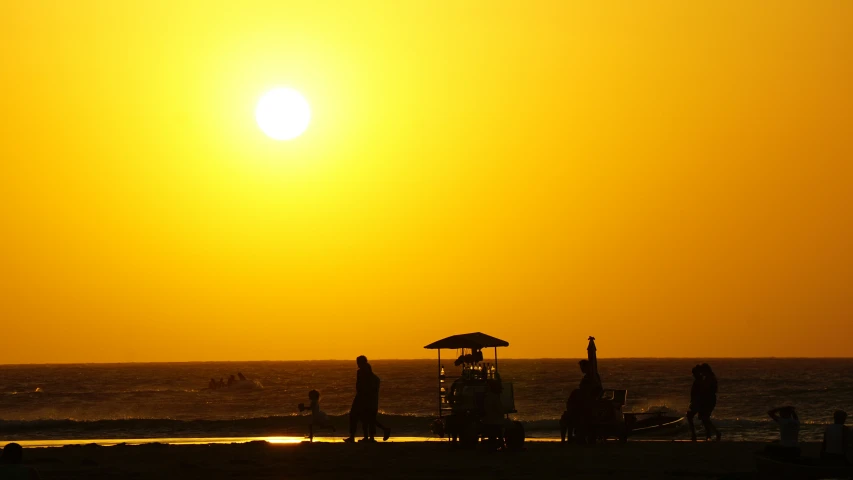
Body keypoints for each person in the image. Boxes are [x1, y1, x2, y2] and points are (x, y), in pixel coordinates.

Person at [560, 359, 603, 443]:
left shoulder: (592, 377)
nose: (581, 370)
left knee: (570, 415)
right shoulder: (589, 377)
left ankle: (570, 437)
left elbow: (595, 391)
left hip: (586, 405)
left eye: (582, 367)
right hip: (582, 403)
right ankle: (569, 437)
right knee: (569, 412)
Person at [344, 355, 373, 443]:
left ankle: (354, 436)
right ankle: (366, 437)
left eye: (358, 362)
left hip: (361, 396)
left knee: (354, 415)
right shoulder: (368, 371)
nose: (357, 364)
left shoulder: (361, 372)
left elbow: (361, 385)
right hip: (365, 396)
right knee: (364, 417)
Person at [362, 363, 391, 442]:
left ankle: (373, 436)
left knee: (369, 420)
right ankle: (371, 437)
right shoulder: (374, 378)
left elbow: (371, 391)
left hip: (371, 402)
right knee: (370, 420)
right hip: (371, 402)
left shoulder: (372, 379)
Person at [697, 363, 721, 441]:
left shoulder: (709, 378)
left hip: (709, 399)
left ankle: (714, 433)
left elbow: (706, 389)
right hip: (708, 399)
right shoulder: (709, 378)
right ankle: (709, 434)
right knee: (705, 418)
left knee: (705, 418)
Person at [686, 365, 703, 442]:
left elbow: (698, 393)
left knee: (690, 416)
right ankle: (694, 434)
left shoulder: (699, 381)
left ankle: (694, 435)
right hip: (696, 402)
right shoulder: (698, 381)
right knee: (704, 419)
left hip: (698, 402)